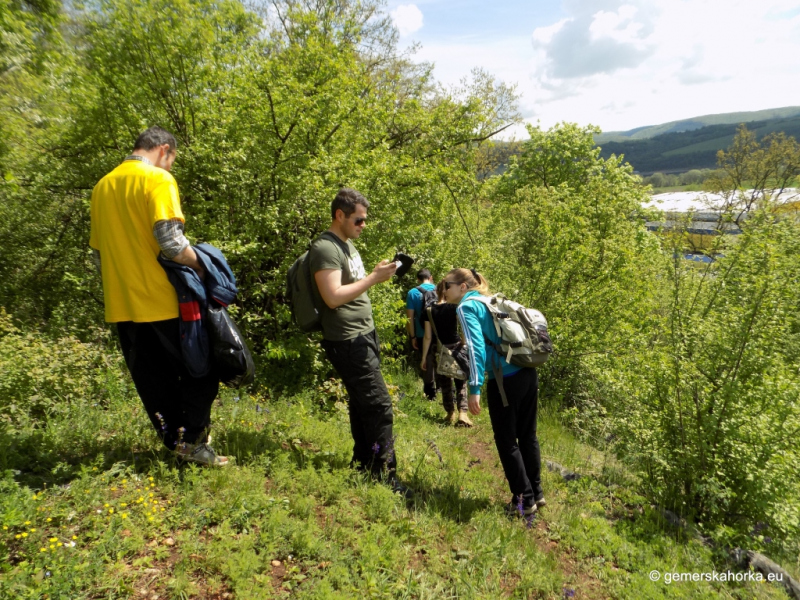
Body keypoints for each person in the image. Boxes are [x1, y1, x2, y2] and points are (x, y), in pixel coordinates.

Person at [89, 126, 228, 466]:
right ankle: (195, 445)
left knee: (154, 381)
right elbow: (171, 243)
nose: (170, 170)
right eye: (171, 162)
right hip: (164, 302)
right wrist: (205, 266)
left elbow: (97, 256)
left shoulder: (102, 186)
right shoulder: (157, 180)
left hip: (123, 306)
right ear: (163, 150)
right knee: (203, 371)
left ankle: (177, 443)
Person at [309, 188, 410, 496]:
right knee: (379, 405)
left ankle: (363, 462)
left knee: (362, 403)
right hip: (347, 338)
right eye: (359, 220)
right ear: (339, 215)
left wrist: (378, 274)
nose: (363, 225)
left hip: (363, 334)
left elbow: (352, 286)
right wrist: (373, 279)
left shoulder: (347, 245)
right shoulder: (325, 248)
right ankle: (385, 475)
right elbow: (332, 296)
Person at [444, 268, 544, 516]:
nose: (444, 289)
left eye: (447, 284)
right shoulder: (491, 301)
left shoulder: (466, 308)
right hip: (527, 370)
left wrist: (474, 388)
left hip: (504, 380)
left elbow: (476, 349)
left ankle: (524, 500)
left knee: (506, 440)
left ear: (463, 287)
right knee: (527, 435)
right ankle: (537, 493)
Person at [420, 280, 472, 427]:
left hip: (440, 350)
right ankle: (463, 413)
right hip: (456, 348)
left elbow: (428, 337)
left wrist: (424, 357)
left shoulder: (429, 311)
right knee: (461, 381)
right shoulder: (455, 308)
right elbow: (463, 329)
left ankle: (450, 413)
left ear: (436, 292)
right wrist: (463, 343)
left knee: (445, 383)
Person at [406, 269, 437, 400]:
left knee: (427, 361)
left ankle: (430, 393)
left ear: (418, 279)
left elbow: (410, 318)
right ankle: (444, 389)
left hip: (421, 332)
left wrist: (412, 336)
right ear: (431, 277)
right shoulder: (439, 290)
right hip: (440, 333)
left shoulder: (412, 293)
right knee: (441, 359)